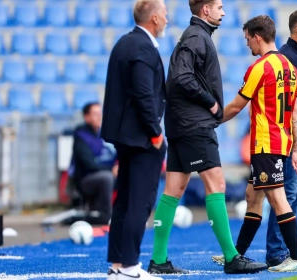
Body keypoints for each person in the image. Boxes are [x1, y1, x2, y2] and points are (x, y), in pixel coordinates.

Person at [148, 0, 268, 275]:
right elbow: (180, 77)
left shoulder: (196, 36)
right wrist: (211, 104)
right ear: (205, 10)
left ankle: (158, 260)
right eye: (219, 7)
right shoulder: (196, 37)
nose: (223, 12)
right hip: (195, 126)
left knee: (173, 190)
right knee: (217, 184)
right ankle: (231, 257)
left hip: (182, 125)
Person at [212, 8, 297, 269]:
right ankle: (235, 253)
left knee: (278, 198)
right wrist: (295, 147)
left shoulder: (259, 68)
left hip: (265, 142)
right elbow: (295, 110)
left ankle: (296, 257)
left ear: (258, 37)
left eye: (248, 39)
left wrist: (210, 121)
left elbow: (237, 106)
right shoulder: (290, 67)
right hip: (281, 141)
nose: (247, 43)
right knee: (253, 196)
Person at [100, 0, 168, 279]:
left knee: (125, 201)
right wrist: (155, 133)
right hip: (141, 138)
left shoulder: (124, 42)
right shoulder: (142, 46)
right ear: (153, 18)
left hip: (124, 137)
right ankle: (129, 265)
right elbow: (143, 94)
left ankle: (117, 263)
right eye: (164, 15)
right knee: (139, 202)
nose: (166, 19)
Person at [71, 102, 117, 225]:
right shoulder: (81, 135)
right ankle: (106, 215)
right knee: (106, 177)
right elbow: (89, 164)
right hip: (86, 179)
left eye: (100, 113)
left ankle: (130, 214)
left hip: (110, 173)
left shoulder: (107, 133)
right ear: (87, 117)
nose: (99, 116)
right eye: (95, 114)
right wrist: (111, 169)